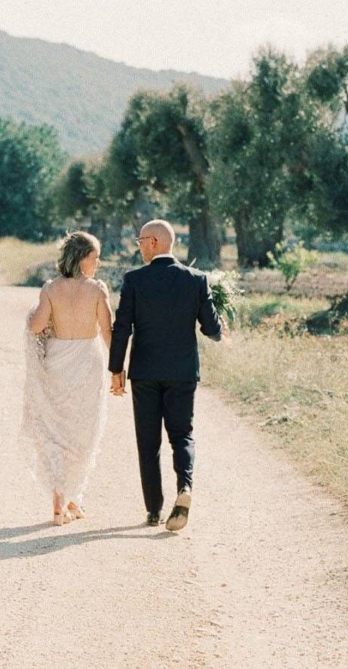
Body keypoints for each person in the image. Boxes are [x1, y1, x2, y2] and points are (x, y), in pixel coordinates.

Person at [109, 219, 225, 531]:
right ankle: (184, 488)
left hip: (145, 373)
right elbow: (212, 331)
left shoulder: (134, 280)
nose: (138, 245)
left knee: (148, 442)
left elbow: (122, 328)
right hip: (183, 372)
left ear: (155, 242)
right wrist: (220, 321)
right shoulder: (196, 280)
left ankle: (153, 510)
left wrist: (116, 369)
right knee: (182, 434)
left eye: (141, 240)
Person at [22, 232, 112, 526]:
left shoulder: (50, 289)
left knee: (58, 430)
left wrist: (33, 315)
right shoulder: (98, 290)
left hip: (58, 362)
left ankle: (64, 500)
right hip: (88, 362)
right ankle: (68, 497)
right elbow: (108, 334)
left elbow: (36, 327)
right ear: (82, 258)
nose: (98, 263)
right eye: (95, 257)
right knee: (83, 432)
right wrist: (120, 369)